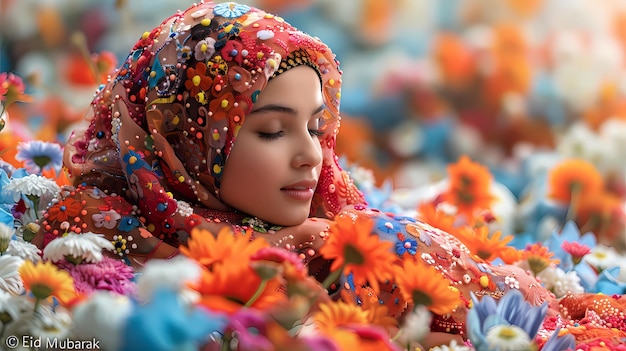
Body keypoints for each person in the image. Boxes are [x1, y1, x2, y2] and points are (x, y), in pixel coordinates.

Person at [31, 1, 624, 347]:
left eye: (316, 127)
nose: (310, 156)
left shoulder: (344, 230)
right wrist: (275, 253)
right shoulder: (93, 235)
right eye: (270, 130)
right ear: (175, 142)